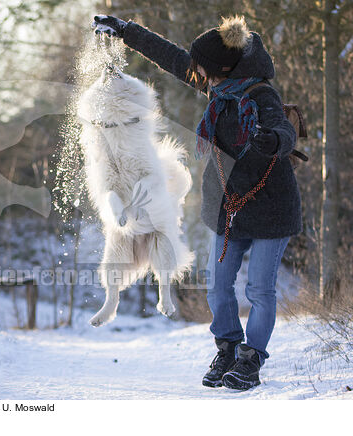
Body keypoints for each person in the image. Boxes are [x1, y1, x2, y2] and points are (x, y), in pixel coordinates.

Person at [92, 14, 302, 391]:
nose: (196, 72)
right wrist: (125, 31)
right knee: (219, 287)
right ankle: (227, 349)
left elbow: (284, 131)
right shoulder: (217, 88)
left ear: (221, 66)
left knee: (258, 290)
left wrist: (272, 140)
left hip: (271, 205)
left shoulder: (260, 95)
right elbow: (171, 58)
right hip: (230, 207)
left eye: (201, 66)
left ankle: (250, 360)